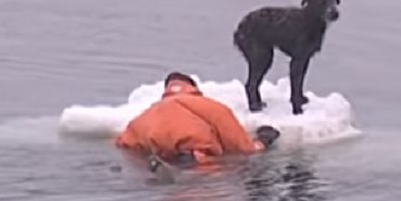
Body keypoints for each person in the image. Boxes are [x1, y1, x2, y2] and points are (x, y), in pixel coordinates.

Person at [116, 71, 280, 168]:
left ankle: (168, 161)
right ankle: (189, 159)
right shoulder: (207, 106)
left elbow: (124, 143)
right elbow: (243, 147)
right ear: (193, 88)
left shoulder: (147, 114)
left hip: (160, 151)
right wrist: (263, 141)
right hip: (196, 154)